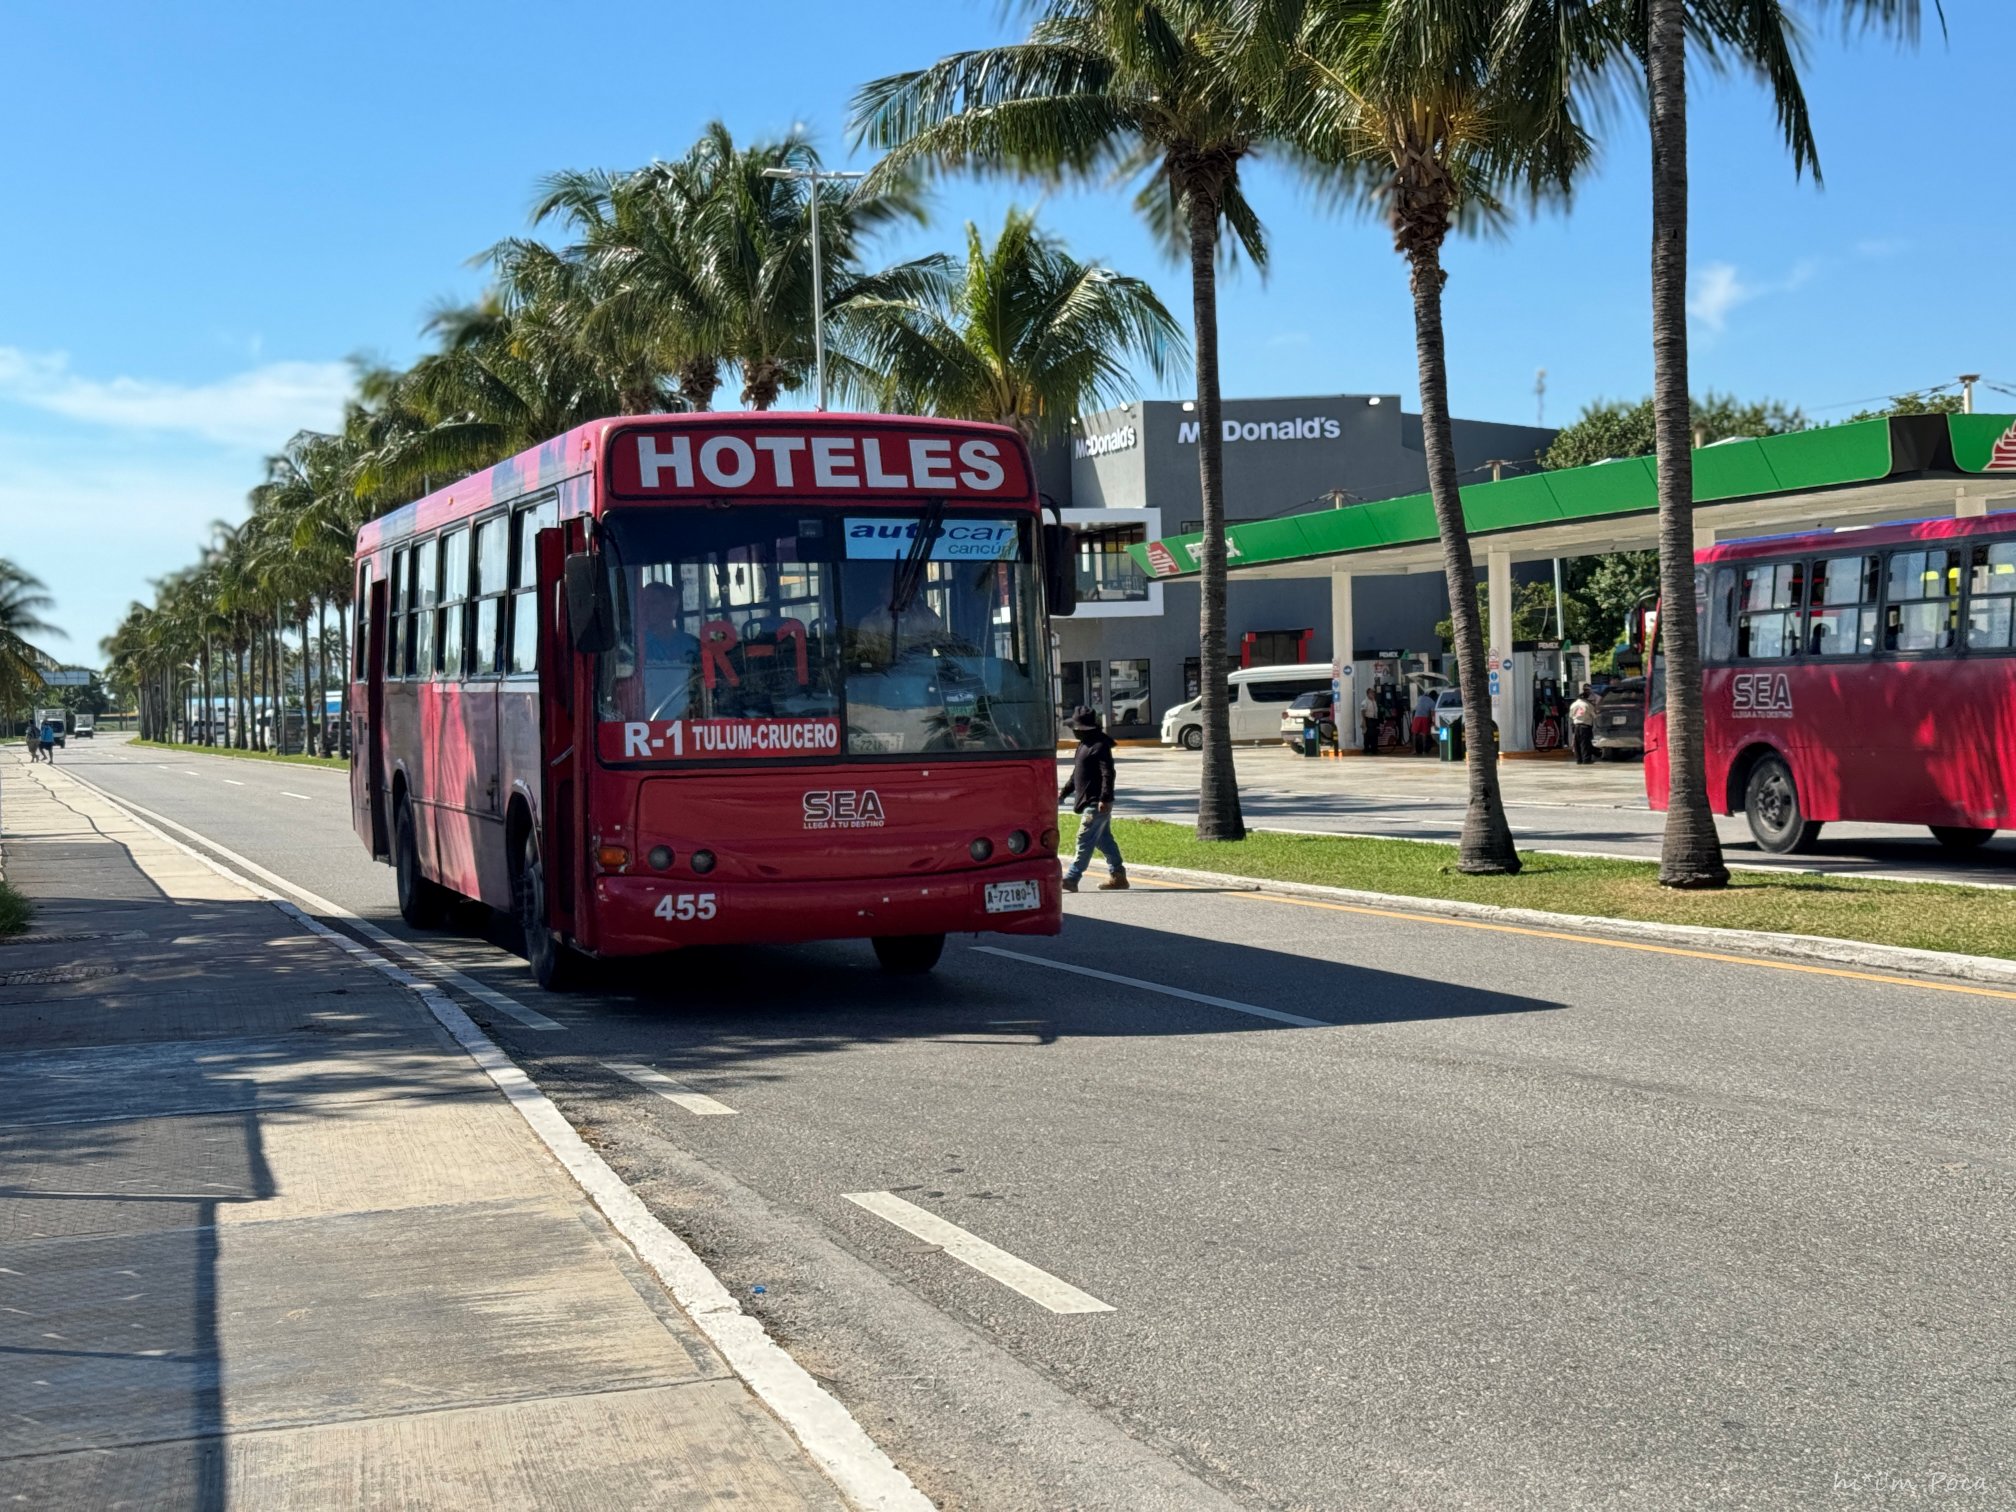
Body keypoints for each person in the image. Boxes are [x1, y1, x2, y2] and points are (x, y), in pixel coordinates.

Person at [1058, 705, 1125, 893]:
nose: (1075, 732)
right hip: (1089, 801)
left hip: (1097, 803)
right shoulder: (1083, 745)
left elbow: (1108, 773)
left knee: (1084, 838)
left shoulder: (1100, 745)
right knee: (1103, 839)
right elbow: (1076, 774)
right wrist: (1063, 793)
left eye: (1077, 729)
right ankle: (1118, 875)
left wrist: (1105, 798)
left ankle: (1072, 877)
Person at [637, 580, 701, 720]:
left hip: (690, 718)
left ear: (671, 608)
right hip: (645, 721)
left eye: (654, 603)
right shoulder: (634, 646)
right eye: (643, 603)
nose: (646, 608)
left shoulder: (692, 645)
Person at [1568, 683, 1600, 765]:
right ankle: (1586, 760)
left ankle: (1579, 760)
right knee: (1585, 744)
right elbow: (1594, 716)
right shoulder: (1588, 705)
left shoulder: (1573, 705)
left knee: (1576, 744)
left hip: (1576, 726)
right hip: (1585, 726)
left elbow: (1571, 716)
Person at [1411, 687, 1438, 756]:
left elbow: (1415, 708)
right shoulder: (1432, 702)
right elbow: (1433, 714)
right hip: (1424, 718)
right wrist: (1433, 723)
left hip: (1417, 717)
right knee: (1424, 734)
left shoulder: (1421, 698)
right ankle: (1424, 751)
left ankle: (1414, 750)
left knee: (1414, 734)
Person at [1359, 686, 1380, 757]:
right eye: (1371, 692)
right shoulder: (1365, 702)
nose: (1373, 694)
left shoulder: (1374, 701)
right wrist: (1364, 722)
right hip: (1368, 719)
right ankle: (1367, 749)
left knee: (1374, 735)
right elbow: (1362, 712)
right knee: (1368, 735)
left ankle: (1374, 749)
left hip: (1374, 720)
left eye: (1373, 692)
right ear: (1368, 694)